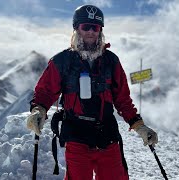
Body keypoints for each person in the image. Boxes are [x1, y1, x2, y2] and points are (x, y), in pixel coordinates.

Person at [26, 4, 158, 180]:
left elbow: (123, 99)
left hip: (107, 134)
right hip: (76, 135)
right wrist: (39, 110)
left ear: (100, 30)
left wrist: (139, 126)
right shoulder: (62, 61)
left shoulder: (111, 62)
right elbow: (46, 91)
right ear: (76, 29)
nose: (90, 32)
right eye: (85, 26)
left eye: (95, 27)